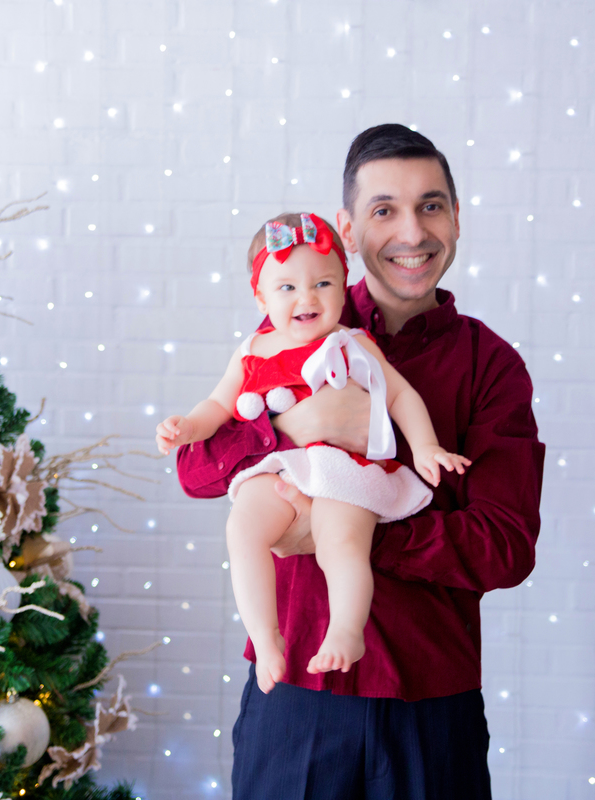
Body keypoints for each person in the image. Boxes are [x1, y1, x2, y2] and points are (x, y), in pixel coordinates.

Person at [176, 124, 546, 799]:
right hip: (296, 703)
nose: (412, 231)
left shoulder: (492, 366)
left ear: (457, 218)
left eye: (431, 205)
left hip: (432, 707)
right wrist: (289, 427)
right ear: (347, 228)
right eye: (384, 210)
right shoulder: (289, 327)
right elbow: (196, 471)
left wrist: (347, 529)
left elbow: (504, 549)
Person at [156, 211, 471, 695]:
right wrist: (187, 426)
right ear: (260, 296)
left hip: (342, 464)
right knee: (243, 528)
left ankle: (347, 628)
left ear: (344, 288)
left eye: (323, 283)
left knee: (339, 541)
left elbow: (401, 395)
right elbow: (220, 405)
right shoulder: (253, 349)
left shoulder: (352, 343)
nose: (307, 298)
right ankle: (266, 638)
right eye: (286, 288)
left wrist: (426, 446)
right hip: (282, 463)